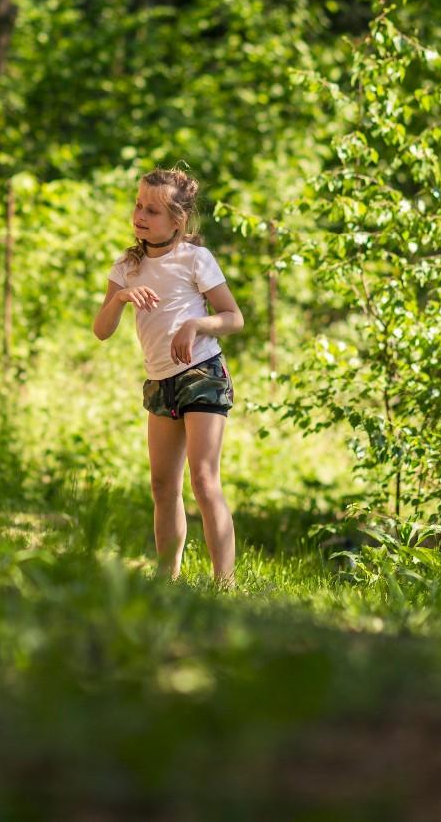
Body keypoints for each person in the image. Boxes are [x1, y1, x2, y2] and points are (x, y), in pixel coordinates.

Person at [92, 168, 244, 583]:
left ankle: (224, 583)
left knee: (204, 478)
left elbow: (234, 317)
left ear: (178, 220)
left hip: (202, 372)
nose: (140, 215)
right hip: (160, 382)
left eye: (153, 210)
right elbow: (101, 331)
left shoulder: (196, 259)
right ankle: (167, 579)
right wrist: (120, 298)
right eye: (138, 205)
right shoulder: (127, 265)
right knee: (162, 486)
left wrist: (196, 326)